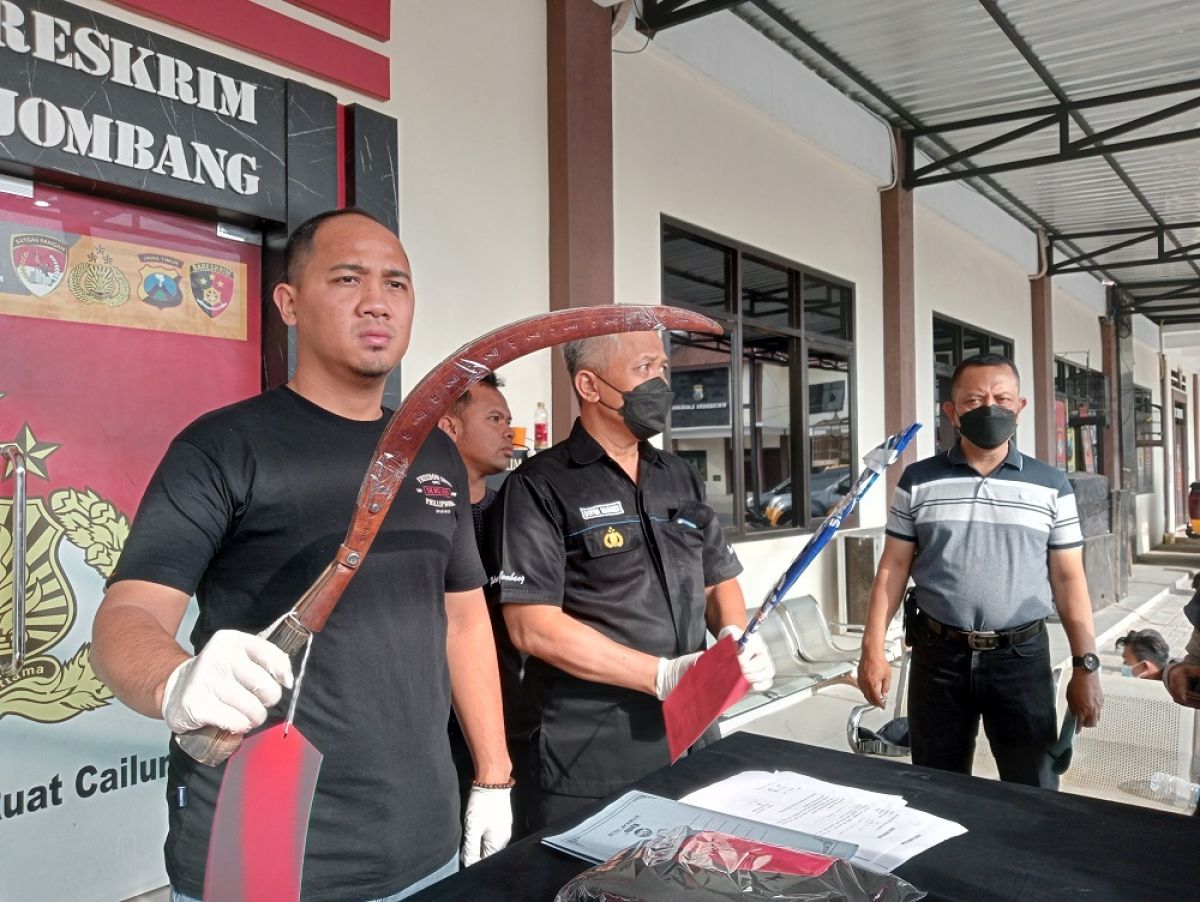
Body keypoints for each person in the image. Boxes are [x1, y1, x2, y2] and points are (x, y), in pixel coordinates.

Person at [91, 209, 513, 902]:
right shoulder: (223, 447)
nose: (377, 300)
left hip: (425, 841)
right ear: (288, 302)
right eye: (348, 278)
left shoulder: (433, 452)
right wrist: (176, 684)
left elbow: (464, 621)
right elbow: (129, 612)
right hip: (262, 853)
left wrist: (493, 775)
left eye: (396, 284)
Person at [493, 329, 775, 833]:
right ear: (590, 384)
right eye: (645, 368)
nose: (661, 382)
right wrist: (660, 675)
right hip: (592, 753)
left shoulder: (678, 475)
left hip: (694, 734)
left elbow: (716, 578)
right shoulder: (539, 484)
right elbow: (532, 626)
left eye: (664, 368)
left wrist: (735, 634)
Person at [857, 353, 1103, 788]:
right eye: (974, 400)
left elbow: (1069, 580)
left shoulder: (1052, 486)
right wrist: (872, 647)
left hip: (1021, 660)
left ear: (1020, 407)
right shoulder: (917, 481)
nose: (990, 408)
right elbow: (893, 568)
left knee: (1033, 792)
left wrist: (1087, 666)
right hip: (938, 657)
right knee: (936, 788)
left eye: (1002, 398)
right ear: (951, 411)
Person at [437, 373, 519, 820]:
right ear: (450, 427)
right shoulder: (420, 517)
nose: (508, 431)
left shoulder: (517, 510)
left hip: (509, 710)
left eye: (508, 419)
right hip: (437, 716)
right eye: (493, 418)